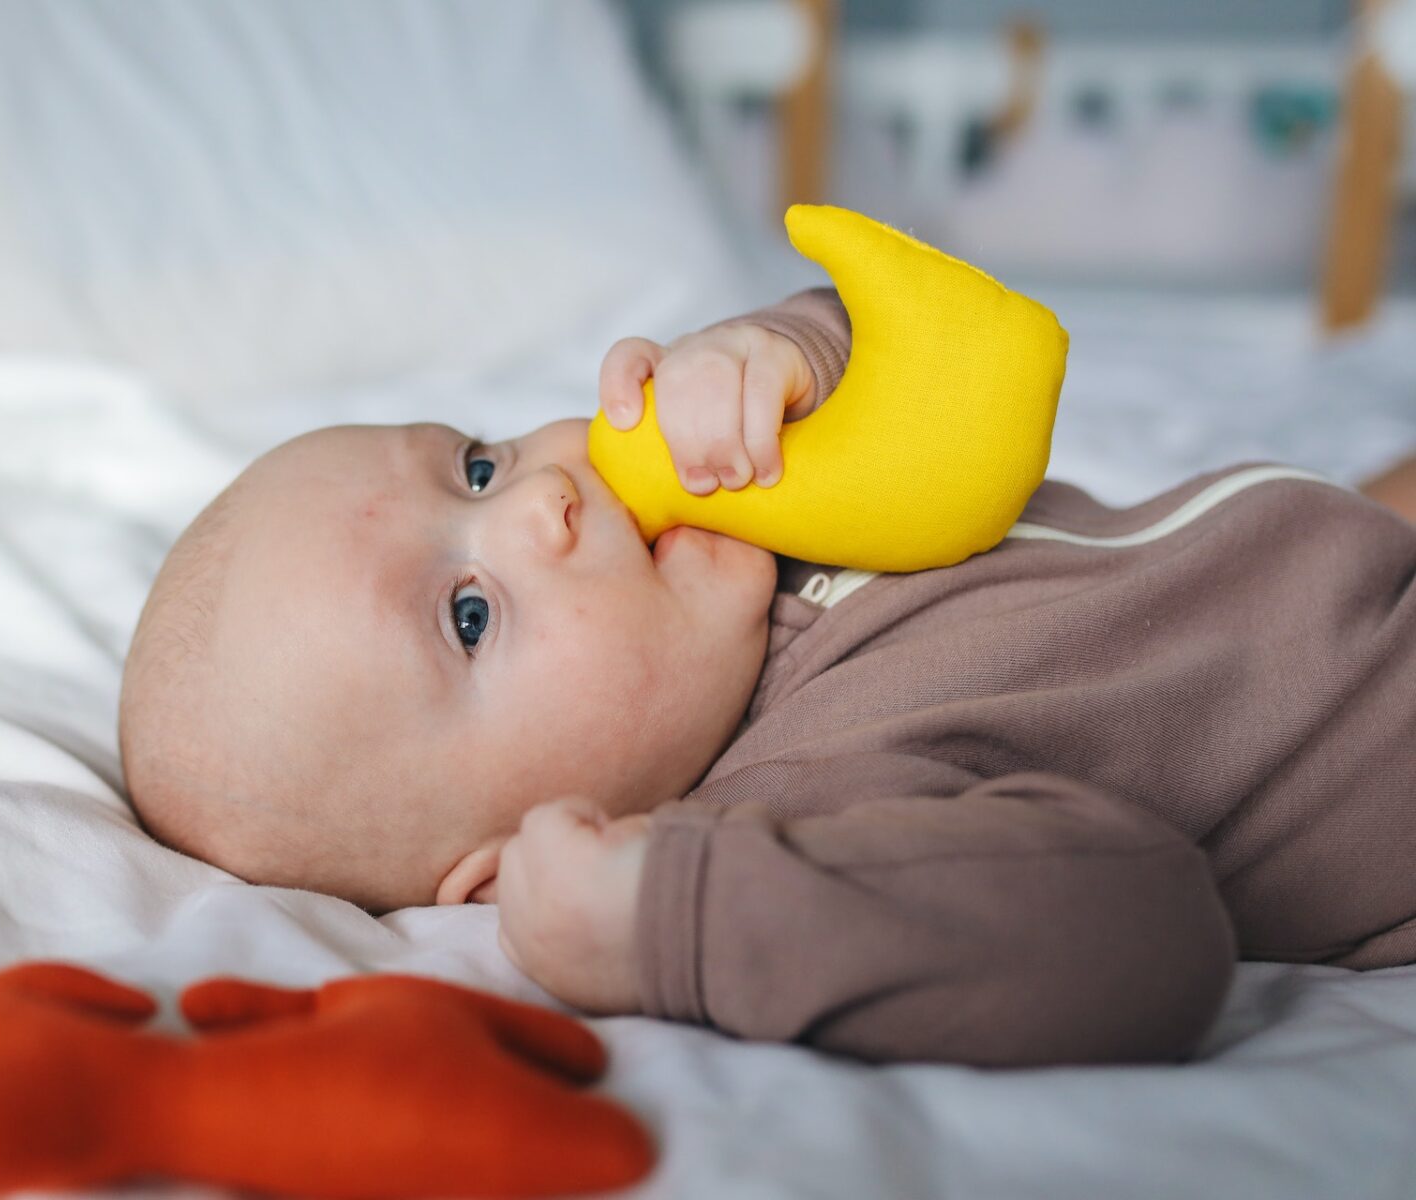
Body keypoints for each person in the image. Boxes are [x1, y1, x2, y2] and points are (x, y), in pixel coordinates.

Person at [118, 289, 1416, 1068]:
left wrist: (778, 356)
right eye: (469, 615)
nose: (546, 504)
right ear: (509, 860)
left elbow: (942, 371)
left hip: (1335, 559)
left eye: (475, 467)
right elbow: (1144, 939)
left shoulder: (753, 527)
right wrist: (677, 918)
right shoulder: (809, 813)